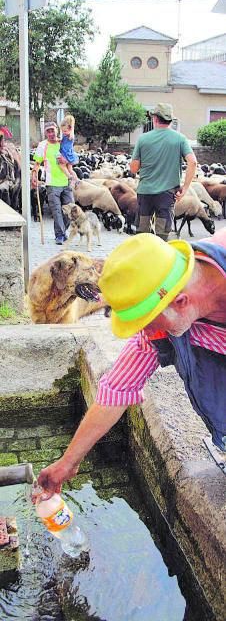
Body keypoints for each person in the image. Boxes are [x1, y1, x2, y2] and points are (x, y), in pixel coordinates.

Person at [37, 228, 226, 494]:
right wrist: (67, 463)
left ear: (181, 303)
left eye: (146, 324)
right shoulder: (170, 295)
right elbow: (117, 388)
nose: (146, 334)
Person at [130, 102, 197, 240]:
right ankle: (160, 259)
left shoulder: (143, 139)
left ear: (154, 118)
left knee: (142, 233)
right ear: (170, 120)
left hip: (145, 193)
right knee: (162, 235)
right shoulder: (180, 139)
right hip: (166, 195)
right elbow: (193, 162)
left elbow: (134, 168)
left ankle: (143, 258)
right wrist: (185, 188)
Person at [31, 121, 74, 245]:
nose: (51, 133)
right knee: (56, 210)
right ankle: (59, 235)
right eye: (48, 131)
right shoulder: (43, 145)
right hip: (51, 182)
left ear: (57, 130)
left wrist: (66, 160)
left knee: (69, 209)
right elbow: (37, 163)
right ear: (45, 133)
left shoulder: (64, 143)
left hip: (66, 181)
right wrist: (34, 174)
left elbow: (73, 159)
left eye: (52, 130)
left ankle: (62, 231)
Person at [57, 114, 79, 181]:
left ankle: (70, 177)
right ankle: (77, 180)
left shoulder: (70, 136)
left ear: (70, 128)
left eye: (65, 131)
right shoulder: (66, 135)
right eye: (62, 131)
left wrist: (59, 142)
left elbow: (64, 144)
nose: (64, 132)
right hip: (67, 153)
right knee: (70, 169)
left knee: (61, 165)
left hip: (66, 154)